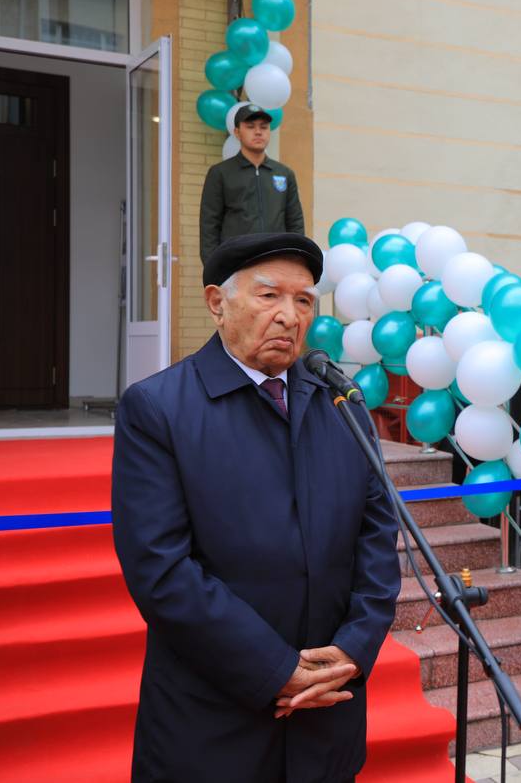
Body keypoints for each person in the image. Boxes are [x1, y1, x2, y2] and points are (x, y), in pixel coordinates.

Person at [111, 233, 401, 782]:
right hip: (213, 725)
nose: (290, 316)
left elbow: (377, 540)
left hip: (327, 717)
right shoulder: (158, 408)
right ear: (217, 303)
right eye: (269, 296)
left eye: (304, 300)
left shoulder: (341, 404)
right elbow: (161, 570)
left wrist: (353, 650)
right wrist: (276, 669)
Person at [200, 105, 305, 264]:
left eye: (264, 127)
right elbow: (209, 225)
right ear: (237, 132)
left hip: (275, 261)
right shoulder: (220, 173)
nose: (258, 132)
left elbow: (295, 222)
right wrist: (213, 265)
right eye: (250, 127)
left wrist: (296, 259)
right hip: (236, 263)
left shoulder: (284, 173)